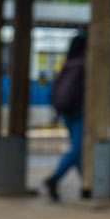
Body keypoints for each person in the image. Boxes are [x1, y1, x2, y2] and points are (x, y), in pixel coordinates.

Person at [44, 35, 87, 201]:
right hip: (79, 111)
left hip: (65, 111)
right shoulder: (84, 64)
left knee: (78, 149)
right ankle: (54, 178)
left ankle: (87, 183)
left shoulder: (68, 63)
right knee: (78, 149)